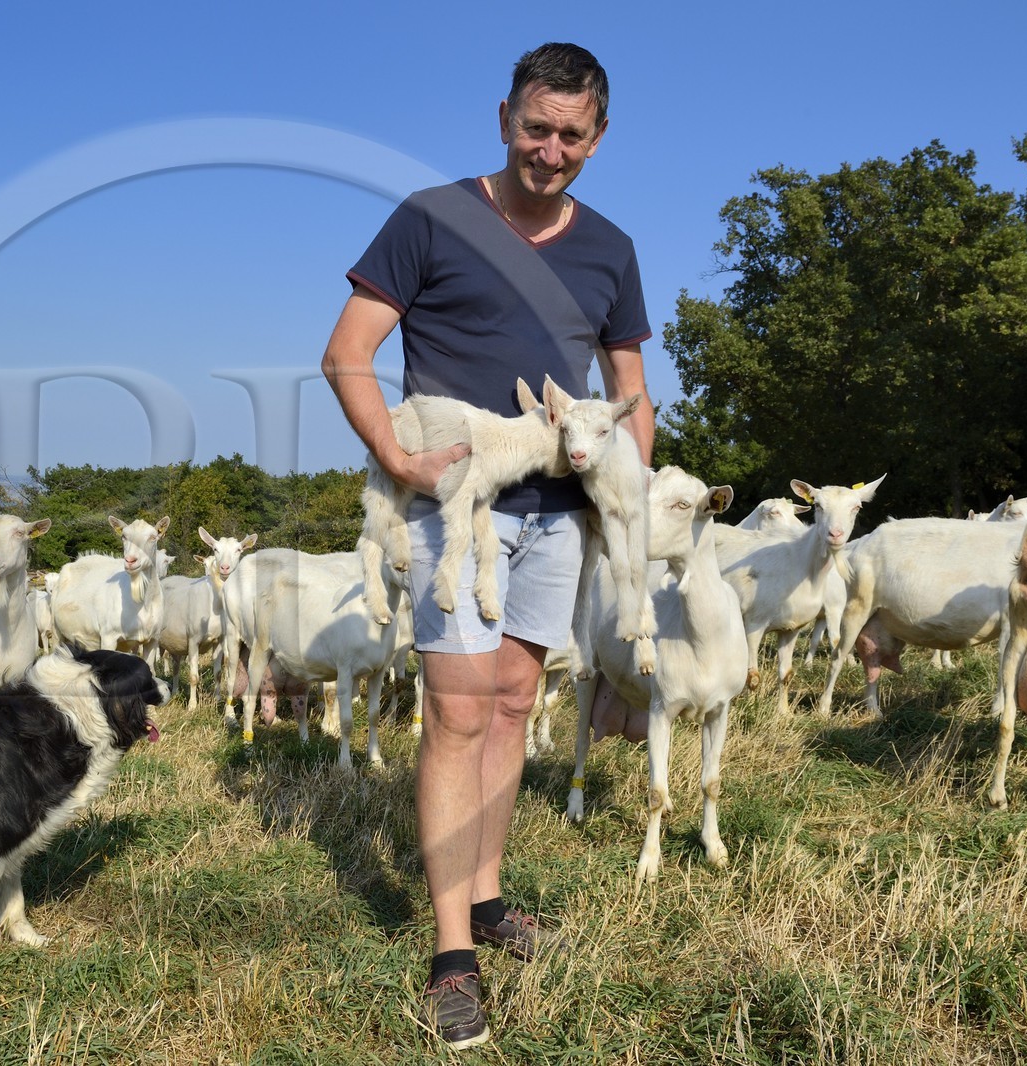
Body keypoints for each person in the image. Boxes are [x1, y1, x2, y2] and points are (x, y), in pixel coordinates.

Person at [320, 42, 654, 1050]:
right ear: (503, 116)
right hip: (458, 506)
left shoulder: (610, 248)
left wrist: (629, 504)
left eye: (571, 135)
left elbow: (630, 391)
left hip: (560, 512)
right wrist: (399, 459)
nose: (549, 150)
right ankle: (452, 952)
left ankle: (493, 896)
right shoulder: (431, 217)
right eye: (535, 128)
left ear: (598, 138)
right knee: (459, 710)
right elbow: (347, 354)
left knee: (514, 701)